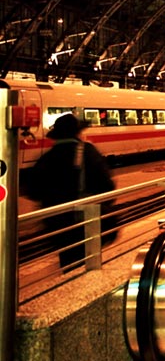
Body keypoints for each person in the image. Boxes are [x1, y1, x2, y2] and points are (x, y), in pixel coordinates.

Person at [28, 113, 116, 271]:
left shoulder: (47, 157)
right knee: (89, 262)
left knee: (68, 261)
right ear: (77, 133)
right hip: (86, 220)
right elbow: (107, 186)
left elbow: (33, 191)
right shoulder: (87, 152)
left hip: (58, 223)